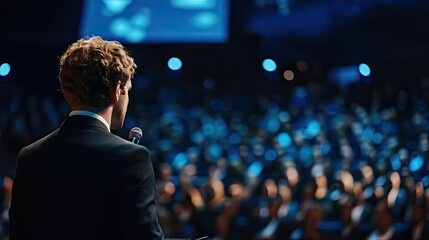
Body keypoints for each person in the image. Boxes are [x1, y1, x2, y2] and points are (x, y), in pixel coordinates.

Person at [9, 36, 164, 239]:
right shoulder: (132, 158)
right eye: (127, 91)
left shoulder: (29, 157)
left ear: (66, 92)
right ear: (117, 91)